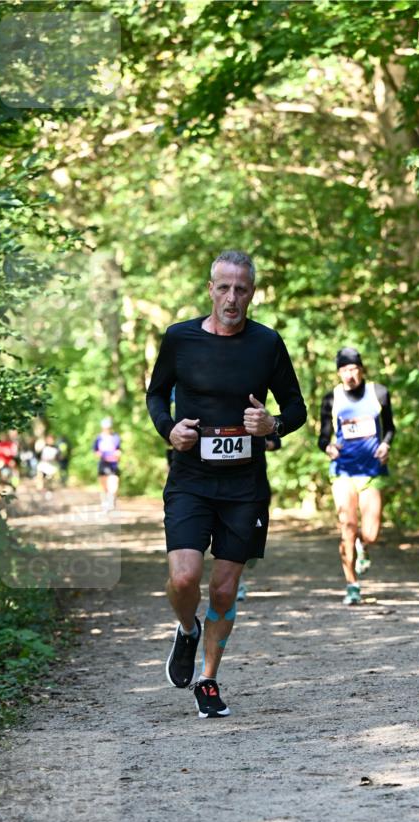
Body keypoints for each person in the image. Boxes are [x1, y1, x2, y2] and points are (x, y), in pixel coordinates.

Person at [146, 250, 306, 718]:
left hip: (244, 488)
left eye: (241, 289)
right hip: (191, 480)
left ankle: (209, 679)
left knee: (223, 591)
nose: (232, 297)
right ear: (210, 289)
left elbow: (295, 408)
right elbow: (157, 393)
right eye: (224, 287)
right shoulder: (180, 339)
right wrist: (168, 428)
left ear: (251, 292)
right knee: (184, 578)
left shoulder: (267, 344)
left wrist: (271, 425)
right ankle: (186, 629)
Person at [318, 347, 395, 605]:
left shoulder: (379, 393)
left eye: (354, 369)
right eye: (344, 370)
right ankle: (352, 585)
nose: (349, 375)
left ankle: (365, 546)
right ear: (338, 372)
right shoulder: (332, 398)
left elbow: (390, 428)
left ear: (361, 369)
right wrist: (328, 448)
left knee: (371, 532)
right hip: (342, 471)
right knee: (347, 528)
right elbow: (322, 438)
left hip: (372, 470)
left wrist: (386, 445)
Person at [236, 432, 281, 601]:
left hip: (256, 484)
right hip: (224, 486)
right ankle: (238, 583)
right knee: (231, 537)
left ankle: (251, 553)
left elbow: (276, 442)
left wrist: (264, 444)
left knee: (252, 535)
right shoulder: (209, 412)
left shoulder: (256, 412)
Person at [94, 417, 121, 511]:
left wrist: (117, 454)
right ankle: (105, 502)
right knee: (104, 485)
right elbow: (96, 451)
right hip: (103, 463)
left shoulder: (115, 437)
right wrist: (101, 455)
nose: (107, 429)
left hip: (113, 464)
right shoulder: (99, 438)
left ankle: (111, 501)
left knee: (114, 484)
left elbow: (118, 449)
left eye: (108, 427)